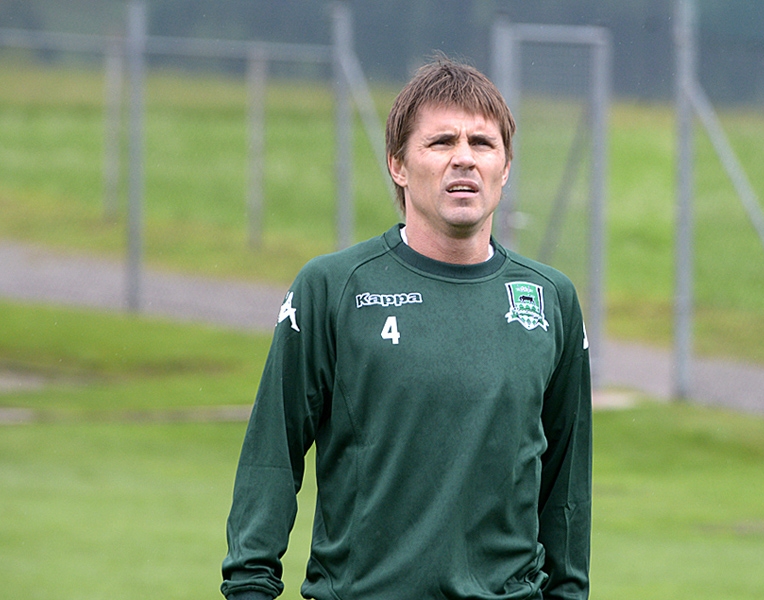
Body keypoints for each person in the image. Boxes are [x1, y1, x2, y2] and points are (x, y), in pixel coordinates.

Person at [220, 55, 592, 600]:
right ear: (398, 164)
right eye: (441, 142)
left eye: (482, 143)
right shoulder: (333, 288)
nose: (464, 158)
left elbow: (566, 488)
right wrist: (250, 587)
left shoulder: (550, 299)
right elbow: (271, 456)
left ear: (506, 166)